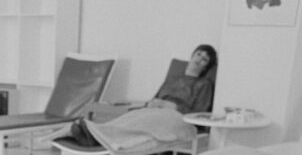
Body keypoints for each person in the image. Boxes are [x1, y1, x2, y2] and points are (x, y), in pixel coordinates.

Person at [68, 44, 218, 149]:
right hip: (157, 111)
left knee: (143, 123)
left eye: (204, 59)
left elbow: (200, 115)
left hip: (177, 116)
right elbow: (155, 98)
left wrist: (174, 106)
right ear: (192, 56)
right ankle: (96, 133)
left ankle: (95, 136)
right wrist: (151, 104)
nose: (199, 59)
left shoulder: (204, 84)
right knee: (133, 116)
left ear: (206, 67)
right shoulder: (172, 79)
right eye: (198, 54)